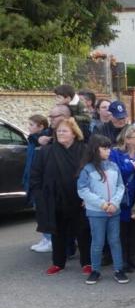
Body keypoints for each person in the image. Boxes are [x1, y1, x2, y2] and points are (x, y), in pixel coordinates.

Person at [30, 117, 92, 275]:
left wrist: (90, 196)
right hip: (55, 199)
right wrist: (40, 196)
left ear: (74, 133)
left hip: (80, 199)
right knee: (57, 232)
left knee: (83, 232)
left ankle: (87, 262)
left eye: (64, 130)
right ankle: (58, 262)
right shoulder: (46, 151)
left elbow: (93, 174)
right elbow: (36, 175)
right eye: (58, 131)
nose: (60, 133)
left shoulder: (84, 150)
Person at [77, 135, 128, 285]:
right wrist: (102, 204)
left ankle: (119, 269)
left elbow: (120, 186)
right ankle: (95, 270)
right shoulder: (87, 169)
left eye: (109, 148)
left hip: (114, 211)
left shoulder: (114, 166)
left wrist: (114, 203)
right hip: (96, 212)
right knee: (97, 242)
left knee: (115, 240)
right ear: (95, 149)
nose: (109, 151)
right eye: (104, 148)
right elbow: (82, 190)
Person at [111, 124, 135, 272]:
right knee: (122, 231)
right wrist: (131, 167)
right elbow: (114, 173)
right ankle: (122, 260)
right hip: (122, 198)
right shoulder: (115, 154)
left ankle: (132, 258)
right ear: (127, 139)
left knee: (134, 230)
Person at [24, 114, 52, 253]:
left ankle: (50, 239)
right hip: (33, 180)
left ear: (41, 126)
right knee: (39, 211)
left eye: (31, 124)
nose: (28, 127)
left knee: (44, 211)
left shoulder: (43, 140)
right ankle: (45, 238)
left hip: (41, 183)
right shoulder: (33, 140)